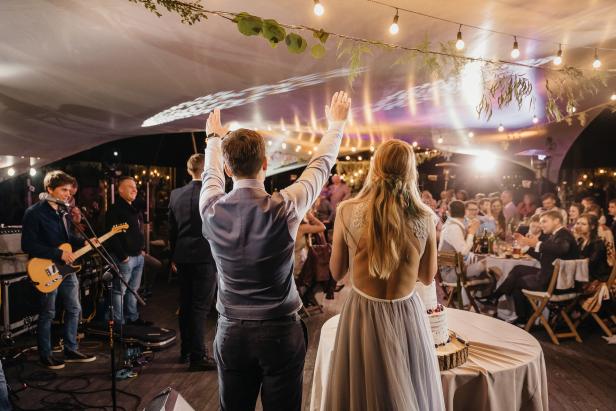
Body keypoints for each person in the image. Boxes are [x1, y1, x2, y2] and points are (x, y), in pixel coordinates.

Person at [200, 92, 350, 410]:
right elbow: (321, 165)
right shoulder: (285, 207)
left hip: (231, 333)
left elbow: (209, 175)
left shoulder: (210, 208)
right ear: (265, 164)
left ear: (229, 169)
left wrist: (213, 139)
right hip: (280, 331)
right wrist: (336, 124)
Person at [325, 139, 444, 410]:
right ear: (409, 170)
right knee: (409, 386)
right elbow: (427, 277)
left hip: (363, 311)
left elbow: (336, 271)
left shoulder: (346, 211)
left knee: (364, 389)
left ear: (374, 167)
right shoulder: (425, 217)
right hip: (406, 312)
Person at [21, 171, 96, 369]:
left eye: (70, 190)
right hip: (46, 268)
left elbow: (67, 239)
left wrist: (86, 241)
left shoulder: (62, 212)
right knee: (48, 312)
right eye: (63, 189)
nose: (68, 194)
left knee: (74, 308)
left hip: (66, 268)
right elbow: (27, 245)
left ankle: (71, 349)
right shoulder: (34, 213)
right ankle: (45, 354)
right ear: (49, 189)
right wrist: (57, 253)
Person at [482, 210, 579, 324]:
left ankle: (519, 315)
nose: (541, 224)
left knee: (517, 282)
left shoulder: (564, 234)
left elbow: (562, 249)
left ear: (557, 221)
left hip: (557, 283)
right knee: (518, 269)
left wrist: (536, 244)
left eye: (544, 221)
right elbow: (543, 257)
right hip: (551, 275)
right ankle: (495, 298)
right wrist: (527, 247)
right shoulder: (556, 235)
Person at [168, 154, 217, 372]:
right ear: (206, 169)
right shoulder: (212, 194)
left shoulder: (175, 194)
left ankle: (185, 350)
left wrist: (173, 256)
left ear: (189, 170)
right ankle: (198, 357)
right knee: (199, 307)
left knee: (186, 305)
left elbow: (172, 230)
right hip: (204, 256)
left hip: (182, 255)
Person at [105, 177, 151, 326]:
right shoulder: (115, 209)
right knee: (119, 291)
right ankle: (120, 324)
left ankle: (132, 317)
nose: (135, 189)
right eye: (130, 187)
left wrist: (141, 250)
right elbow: (112, 235)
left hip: (137, 256)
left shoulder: (133, 208)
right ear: (120, 190)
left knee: (134, 290)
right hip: (125, 258)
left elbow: (136, 232)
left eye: (135, 187)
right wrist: (122, 256)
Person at [439, 200, 480, 282]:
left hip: (455, 269)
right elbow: (464, 252)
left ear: (449, 212)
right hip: (449, 273)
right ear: (465, 212)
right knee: (485, 267)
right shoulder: (453, 228)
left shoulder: (452, 226)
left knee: (485, 266)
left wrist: (468, 233)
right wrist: (471, 233)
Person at [575, 214, 611, 282]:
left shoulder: (597, 242)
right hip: (584, 275)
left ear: (592, 227)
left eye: (583, 224)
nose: (579, 226)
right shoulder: (580, 241)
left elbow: (591, 262)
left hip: (596, 278)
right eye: (578, 223)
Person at [294, 211, 326, 277]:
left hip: (290, 263)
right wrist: (312, 217)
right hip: (299, 264)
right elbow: (322, 227)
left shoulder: (286, 227)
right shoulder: (302, 228)